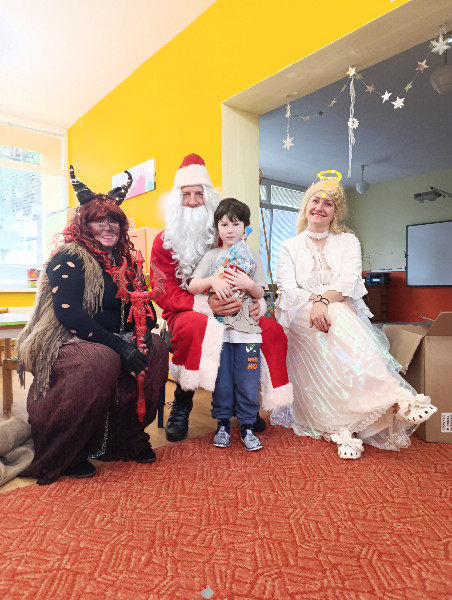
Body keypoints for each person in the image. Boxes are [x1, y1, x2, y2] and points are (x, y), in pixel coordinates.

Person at [17, 166, 168, 485]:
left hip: (117, 337)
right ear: (84, 224)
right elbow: (70, 315)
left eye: (113, 220)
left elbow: (145, 306)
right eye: (99, 220)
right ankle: (68, 449)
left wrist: (143, 330)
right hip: (65, 339)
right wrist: (120, 346)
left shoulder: (127, 263)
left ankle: (127, 438)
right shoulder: (69, 257)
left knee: (155, 348)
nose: (108, 226)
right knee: (100, 359)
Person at [271, 173, 437, 459]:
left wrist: (325, 301)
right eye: (315, 201)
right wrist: (320, 303)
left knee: (339, 315)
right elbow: (288, 290)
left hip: (338, 307)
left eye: (329, 204)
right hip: (301, 314)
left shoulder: (348, 241)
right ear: (306, 205)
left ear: (336, 212)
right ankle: (395, 396)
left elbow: (349, 281)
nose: (320, 207)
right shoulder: (289, 246)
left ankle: (350, 423)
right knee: (340, 313)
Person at [150, 153, 292, 443]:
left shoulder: (224, 237)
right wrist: (206, 305)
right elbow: (163, 291)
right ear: (176, 200)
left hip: (237, 307)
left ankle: (246, 405)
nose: (192, 201)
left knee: (271, 329)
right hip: (186, 310)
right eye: (185, 194)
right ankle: (183, 399)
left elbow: (251, 279)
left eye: (198, 194)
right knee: (196, 327)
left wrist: (257, 304)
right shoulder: (162, 242)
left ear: (209, 198)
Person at [188, 198, 267, 451]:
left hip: (248, 335)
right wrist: (213, 280)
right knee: (221, 381)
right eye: (224, 224)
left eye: (236, 224)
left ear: (246, 227)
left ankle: (247, 426)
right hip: (219, 334)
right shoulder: (212, 256)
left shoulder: (252, 257)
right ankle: (222, 425)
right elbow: (192, 286)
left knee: (248, 381)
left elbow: (261, 292)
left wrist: (248, 285)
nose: (230, 230)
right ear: (217, 228)